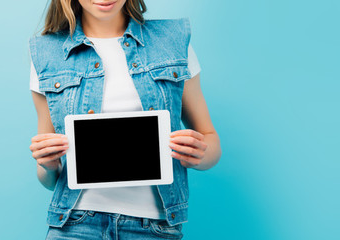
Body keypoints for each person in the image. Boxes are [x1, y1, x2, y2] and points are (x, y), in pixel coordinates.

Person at [28, 0, 222, 239]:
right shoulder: (46, 53)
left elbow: (211, 142)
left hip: (153, 228)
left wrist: (199, 154)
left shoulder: (172, 41)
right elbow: (49, 177)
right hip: (76, 225)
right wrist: (47, 164)